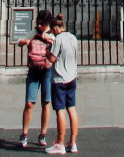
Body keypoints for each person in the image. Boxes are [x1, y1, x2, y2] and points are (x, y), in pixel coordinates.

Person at [18, 13, 55, 148]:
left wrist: (50, 39)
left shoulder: (52, 34)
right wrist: (25, 41)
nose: (39, 26)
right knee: (29, 103)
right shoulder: (34, 32)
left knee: (46, 102)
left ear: (48, 23)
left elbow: (58, 48)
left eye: (42, 24)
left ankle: (43, 134)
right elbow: (20, 41)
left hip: (47, 70)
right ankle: (24, 134)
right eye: (38, 23)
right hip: (33, 70)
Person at [44, 12, 79, 156]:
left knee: (60, 110)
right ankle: (73, 142)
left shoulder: (58, 39)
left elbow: (52, 59)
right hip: (72, 77)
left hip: (59, 79)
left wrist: (47, 51)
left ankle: (60, 144)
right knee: (72, 109)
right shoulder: (73, 37)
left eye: (52, 31)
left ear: (55, 28)